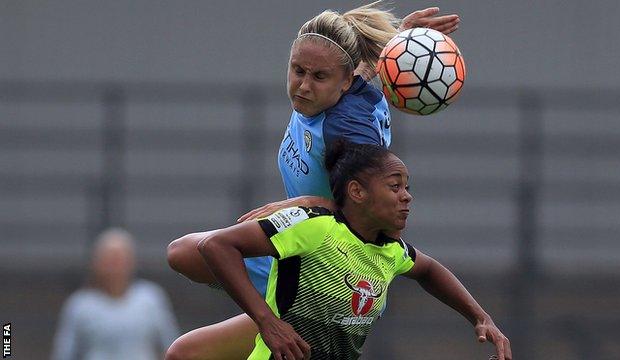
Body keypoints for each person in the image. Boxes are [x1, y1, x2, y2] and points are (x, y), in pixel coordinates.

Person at [166, 3, 461, 359]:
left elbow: (363, 207)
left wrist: (301, 203)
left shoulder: (346, 129)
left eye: (318, 76)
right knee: (185, 353)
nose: (303, 85)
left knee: (188, 254)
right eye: (297, 70)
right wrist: (396, 47)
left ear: (344, 81)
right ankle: (283, 316)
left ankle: (295, 313)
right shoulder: (354, 85)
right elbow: (362, 70)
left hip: (330, 265)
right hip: (306, 250)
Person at [197, 140, 512, 360]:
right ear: (357, 191)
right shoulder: (315, 227)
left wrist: (480, 317)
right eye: (395, 186)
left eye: (407, 187)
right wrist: (267, 321)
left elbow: (429, 270)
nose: (407, 197)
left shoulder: (390, 251)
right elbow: (217, 245)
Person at [52, 228, 179, 360]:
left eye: (119, 259)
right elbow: (65, 352)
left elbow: (170, 344)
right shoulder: (80, 305)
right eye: (109, 260)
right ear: (96, 263)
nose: (115, 267)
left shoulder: (150, 298)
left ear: (132, 261)